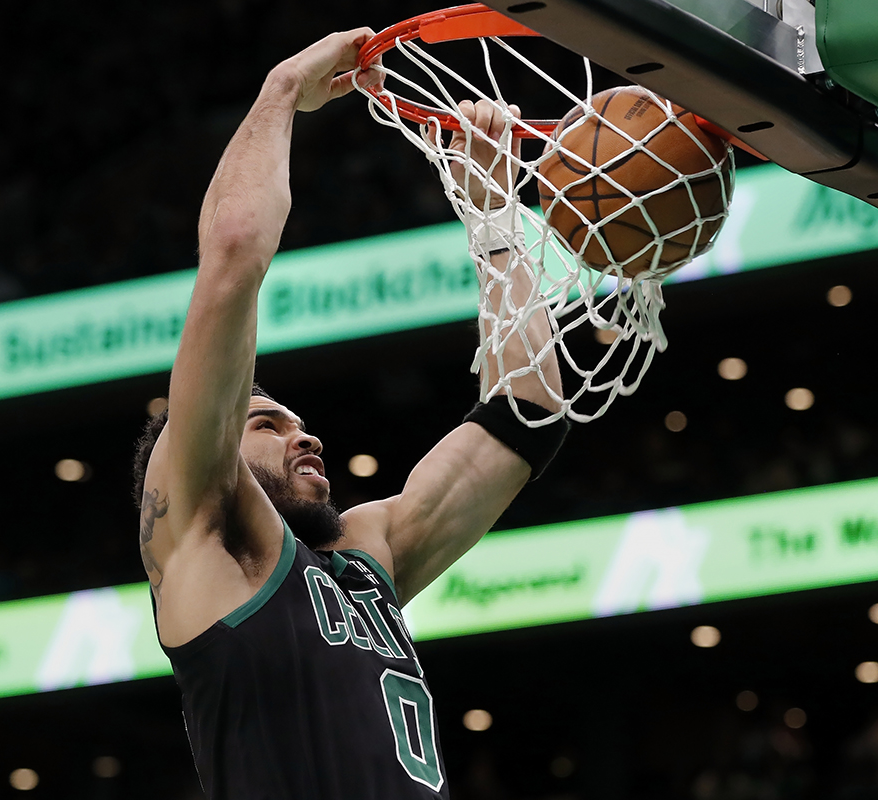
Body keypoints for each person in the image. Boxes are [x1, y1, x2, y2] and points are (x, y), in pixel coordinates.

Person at [131, 28, 567, 800]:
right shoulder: (201, 542)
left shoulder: (370, 554)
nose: (306, 433)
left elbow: (526, 412)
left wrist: (496, 212)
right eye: (267, 422)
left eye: (295, 420)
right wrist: (282, 91)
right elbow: (234, 248)